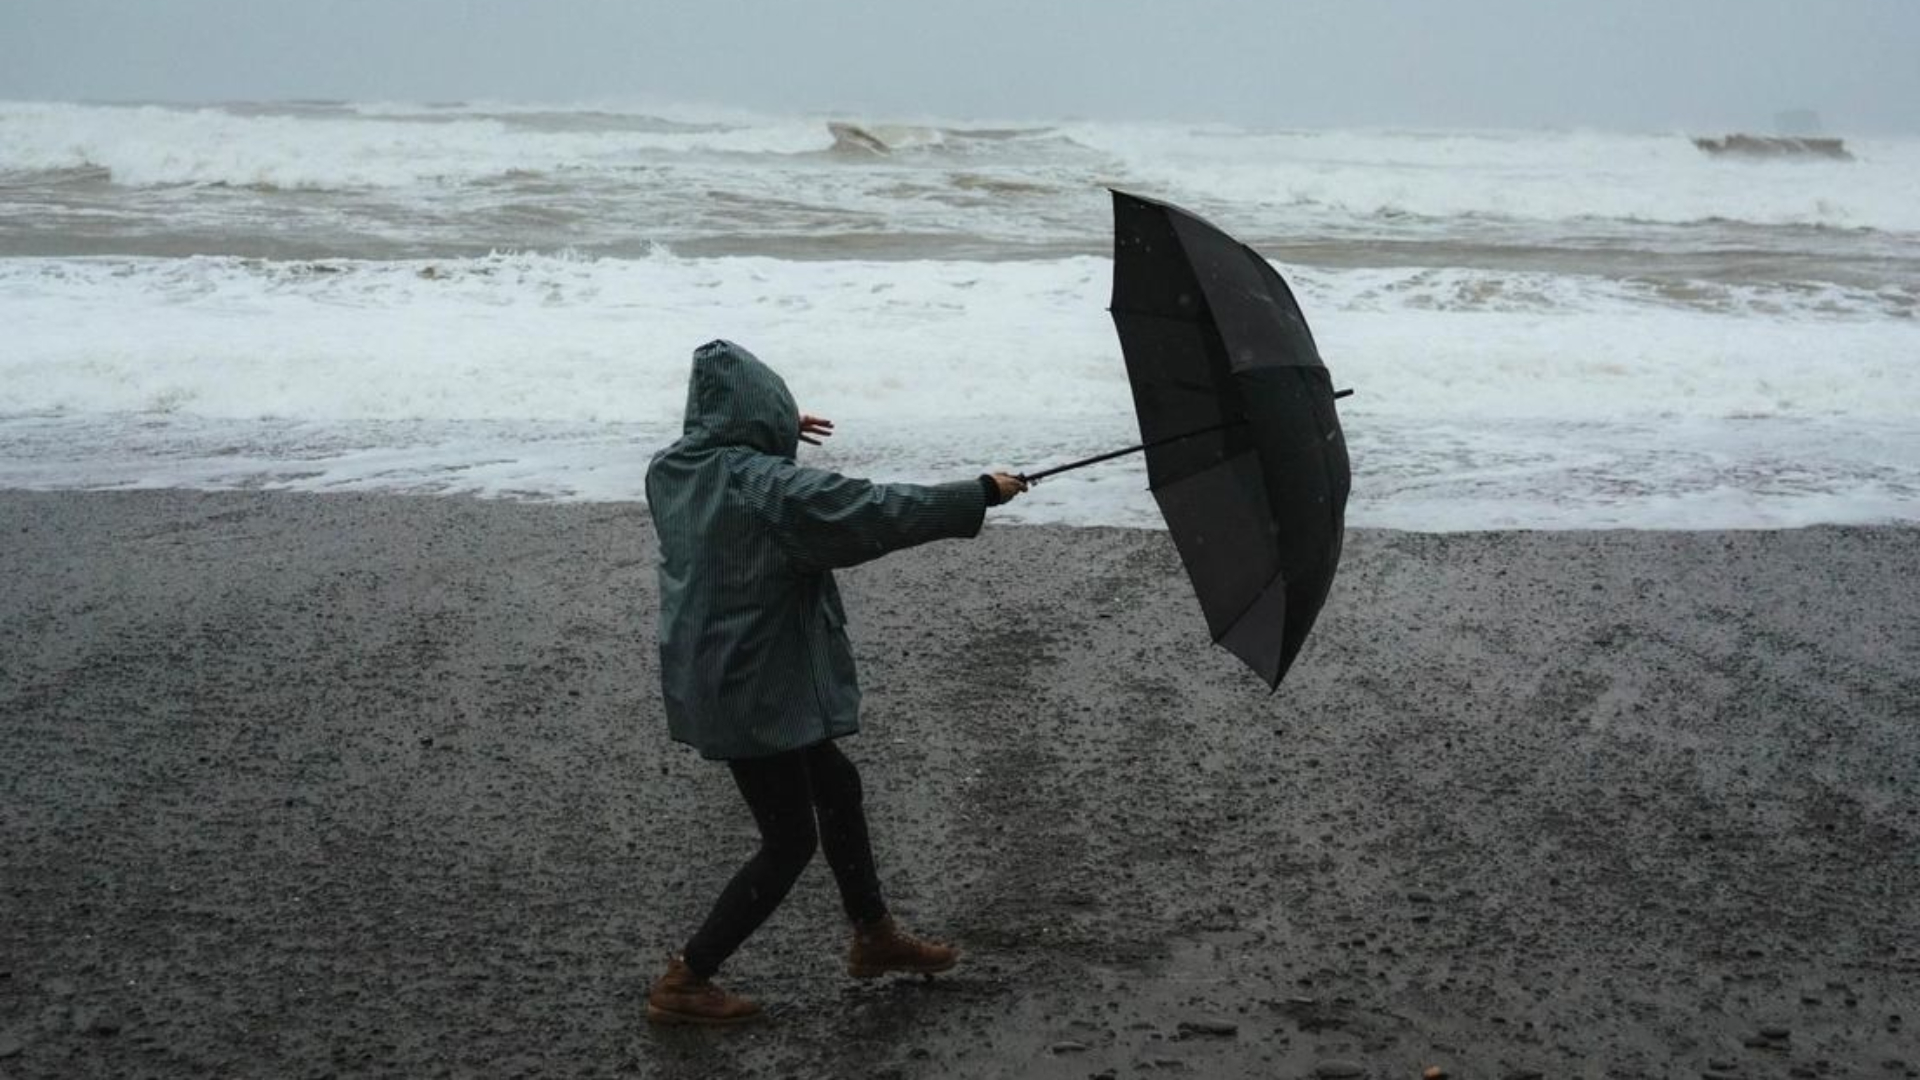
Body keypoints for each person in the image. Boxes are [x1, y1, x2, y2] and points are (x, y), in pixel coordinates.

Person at [642, 339, 1027, 1025]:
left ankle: (874, 937)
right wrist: (978, 494)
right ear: (757, 416)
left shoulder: (673, 470)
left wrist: (772, 431)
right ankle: (687, 978)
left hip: (720, 670)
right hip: (753, 688)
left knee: (837, 785)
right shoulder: (767, 488)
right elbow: (874, 511)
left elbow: (733, 462)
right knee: (788, 840)